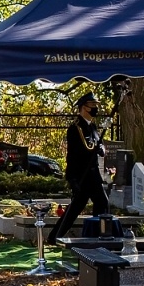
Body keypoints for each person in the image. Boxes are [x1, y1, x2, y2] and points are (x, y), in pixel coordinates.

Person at [47, 92, 108, 243]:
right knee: (75, 209)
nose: (95, 109)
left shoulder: (92, 126)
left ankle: (99, 236)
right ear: (83, 107)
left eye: (96, 106)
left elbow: (97, 144)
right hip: (82, 174)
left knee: (102, 203)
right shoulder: (76, 128)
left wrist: (101, 148)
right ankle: (54, 237)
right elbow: (78, 152)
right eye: (92, 106)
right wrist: (72, 178)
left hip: (93, 175)